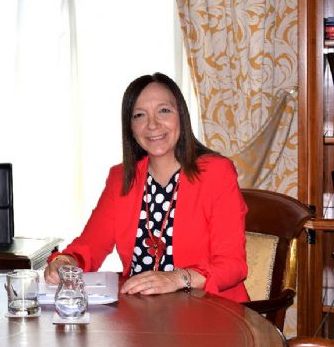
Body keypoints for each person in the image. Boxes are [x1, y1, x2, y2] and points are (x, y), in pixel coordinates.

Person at [44, 73, 249, 302]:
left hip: (210, 312)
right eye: (140, 115)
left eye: (164, 111)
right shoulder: (121, 178)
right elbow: (89, 247)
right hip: (142, 317)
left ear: (181, 116)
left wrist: (176, 278)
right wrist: (64, 262)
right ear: (131, 128)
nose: (152, 124)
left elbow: (232, 265)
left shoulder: (216, 172)